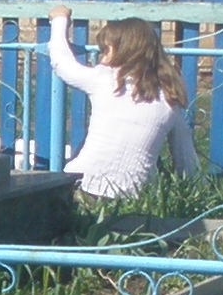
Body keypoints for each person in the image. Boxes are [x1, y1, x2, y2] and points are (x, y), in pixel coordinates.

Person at [45, 14, 199, 202]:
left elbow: (63, 63)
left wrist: (59, 20)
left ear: (124, 51)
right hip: (132, 197)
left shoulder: (105, 79)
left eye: (106, 51)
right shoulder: (169, 99)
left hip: (83, 183)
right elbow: (186, 160)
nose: (102, 58)